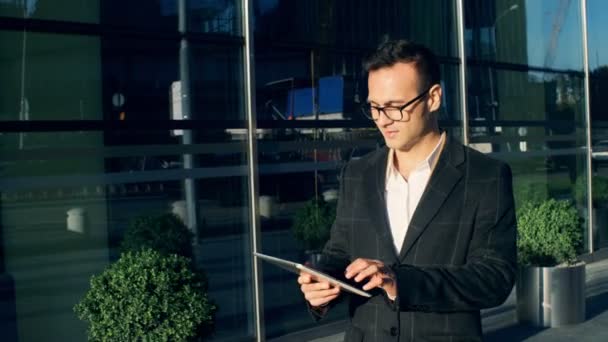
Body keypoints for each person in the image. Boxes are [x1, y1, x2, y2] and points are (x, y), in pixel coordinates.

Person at [297, 40, 517, 341]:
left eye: (396, 107)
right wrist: (323, 284)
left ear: (434, 98)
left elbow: (494, 279)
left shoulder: (485, 176)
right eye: (374, 107)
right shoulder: (358, 173)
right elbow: (339, 253)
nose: (383, 120)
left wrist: (401, 281)